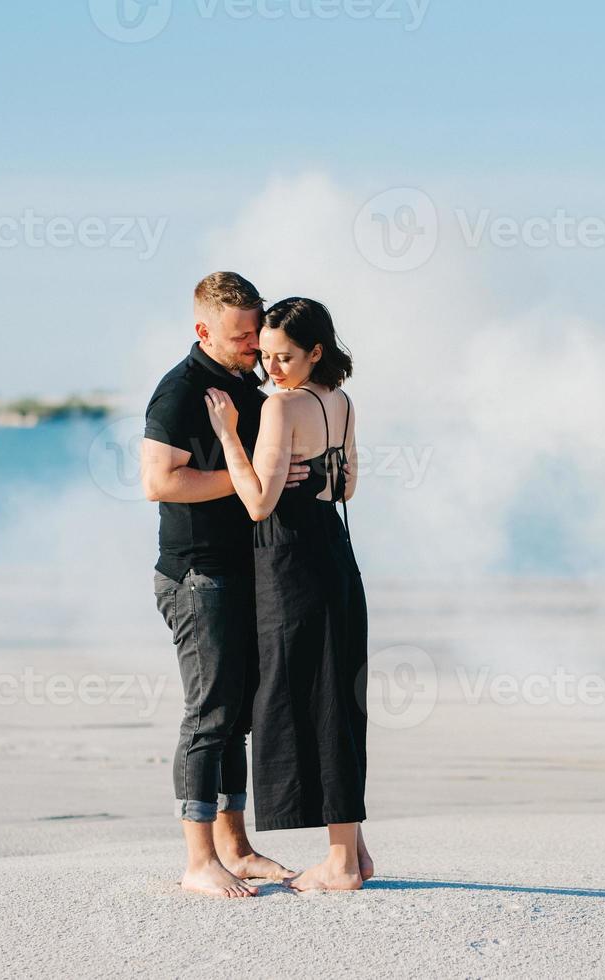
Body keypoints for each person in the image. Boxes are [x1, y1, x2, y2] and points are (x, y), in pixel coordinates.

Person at [140, 271, 310, 898]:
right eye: (242, 336)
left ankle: (236, 849)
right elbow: (159, 482)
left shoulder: (246, 381)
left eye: (257, 331)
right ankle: (198, 860)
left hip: (243, 570)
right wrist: (247, 481)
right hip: (195, 573)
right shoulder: (180, 391)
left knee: (238, 715)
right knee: (209, 714)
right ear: (203, 330)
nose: (254, 346)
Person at [204, 296, 373, 892]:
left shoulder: (281, 407)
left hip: (290, 559)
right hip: (335, 550)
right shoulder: (341, 401)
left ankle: (343, 865)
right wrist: (310, 472)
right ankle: (352, 849)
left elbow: (256, 502)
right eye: (267, 357)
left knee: (305, 696)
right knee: (340, 696)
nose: (270, 369)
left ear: (316, 352)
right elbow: (347, 482)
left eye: (284, 357)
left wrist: (229, 436)